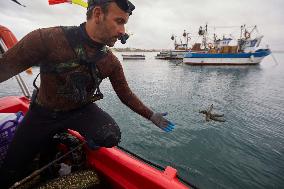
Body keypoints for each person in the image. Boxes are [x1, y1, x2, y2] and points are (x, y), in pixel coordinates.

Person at [0, 0, 175, 187]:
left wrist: (151, 115)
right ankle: (49, 139)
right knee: (10, 171)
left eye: (124, 23)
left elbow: (125, 94)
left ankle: (57, 138)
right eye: (119, 21)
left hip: (79, 110)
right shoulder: (47, 39)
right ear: (98, 14)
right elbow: (4, 69)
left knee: (110, 135)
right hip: (43, 112)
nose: (123, 31)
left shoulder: (110, 62)